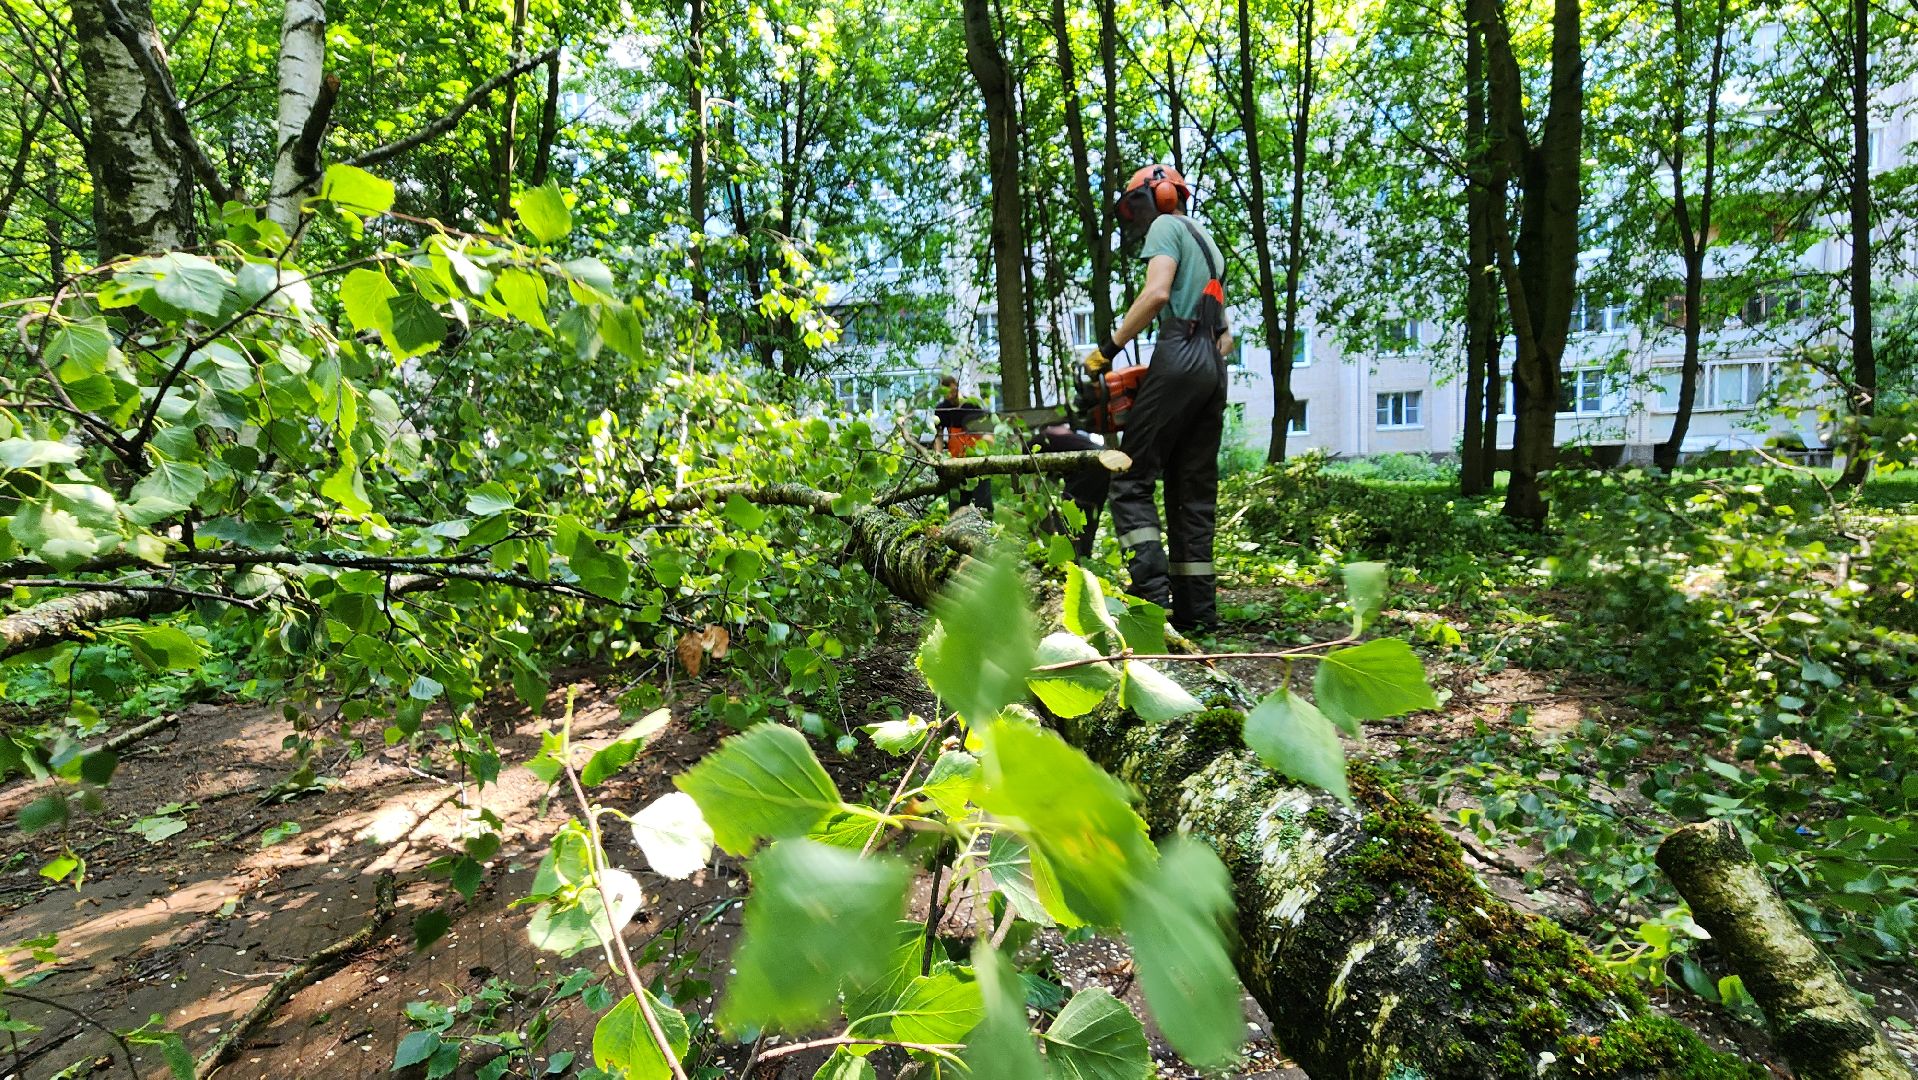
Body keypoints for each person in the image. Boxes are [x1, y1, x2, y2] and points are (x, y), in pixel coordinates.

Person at [1084, 164, 1231, 632]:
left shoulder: (1168, 226)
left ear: (1163, 196)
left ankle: (1152, 599)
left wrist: (1106, 351)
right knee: (1192, 492)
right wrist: (1190, 366)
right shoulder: (1208, 243)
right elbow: (1226, 336)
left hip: (1181, 351)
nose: (1138, 218)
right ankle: (1198, 614)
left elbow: (1157, 294)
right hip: (1212, 363)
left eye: (1136, 206)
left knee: (1129, 475)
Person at [1030, 420, 1108, 558]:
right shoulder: (1066, 438)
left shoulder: (1035, 444)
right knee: (1087, 514)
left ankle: (1071, 558)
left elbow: (1035, 489)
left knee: (1072, 513)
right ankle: (1082, 556)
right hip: (1105, 463)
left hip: (1088, 466)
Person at [932, 375, 993, 517]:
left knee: (982, 505)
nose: (950, 395)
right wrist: (938, 457)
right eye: (946, 393)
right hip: (956, 463)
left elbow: (988, 435)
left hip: (977, 462)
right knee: (956, 507)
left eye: (952, 391)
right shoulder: (942, 409)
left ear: (956, 387)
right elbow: (939, 436)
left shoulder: (973, 405)